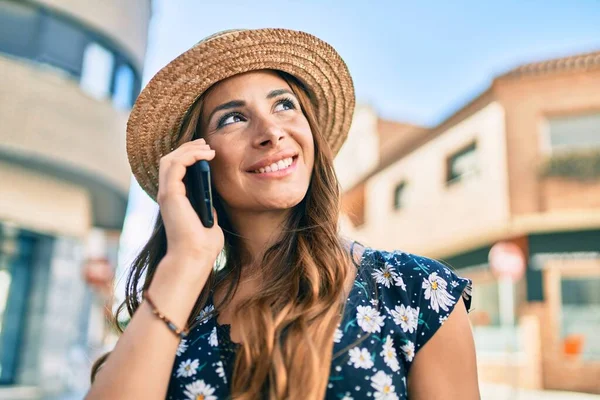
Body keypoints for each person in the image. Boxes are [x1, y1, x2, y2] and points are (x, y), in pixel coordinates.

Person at [86, 28, 479, 400]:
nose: (271, 131)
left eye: (284, 105)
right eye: (233, 118)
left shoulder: (419, 291)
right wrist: (185, 261)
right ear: (197, 164)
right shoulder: (175, 311)